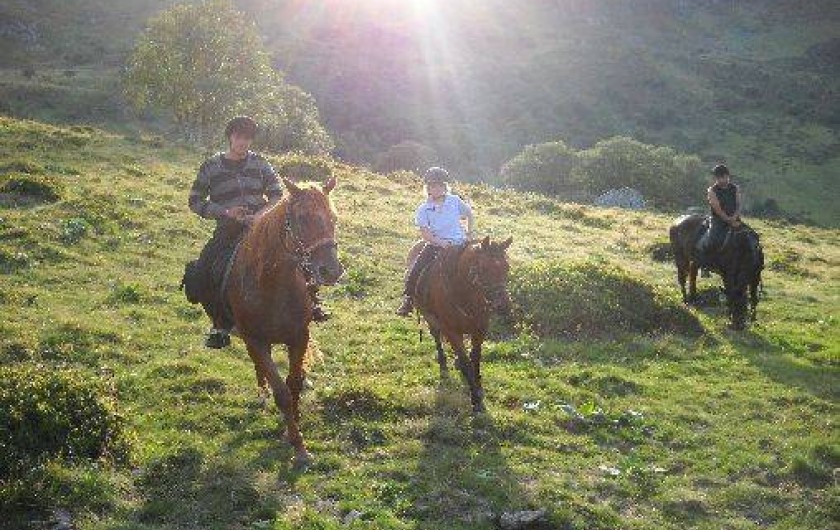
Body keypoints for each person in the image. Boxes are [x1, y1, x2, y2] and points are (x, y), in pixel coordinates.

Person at [186, 116, 328, 349]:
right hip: (228, 229)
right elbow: (195, 201)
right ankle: (219, 325)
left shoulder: (260, 163)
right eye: (239, 137)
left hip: (262, 227)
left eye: (247, 138)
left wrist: (260, 215)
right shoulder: (210, 166)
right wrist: (226, 212)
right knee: (203, 269)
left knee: (298, 257)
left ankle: (312, 302)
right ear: (230, 137)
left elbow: (276, 195)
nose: (243, 142)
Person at [395, 167, 475, 316]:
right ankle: (408, 299)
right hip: (436, 245)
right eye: (432, 185)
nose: (436, 188)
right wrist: (441, 243)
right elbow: (426, 234)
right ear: (428, 188)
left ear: (445, 187)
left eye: (439, 185)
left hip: (460, 243)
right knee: (417, 269)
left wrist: (469, 234)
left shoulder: (454, 201)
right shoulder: (423, 209)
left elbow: (470, 214)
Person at [695, 163, 742, 274]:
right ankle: (705, 265)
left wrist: (735, 217)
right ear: (716, 178)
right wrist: (729, 220)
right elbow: (717, 209)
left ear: (728, 176)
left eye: (724, 177)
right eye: (719, 177)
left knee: (751, 238)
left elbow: (739, 204)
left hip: (735, 219)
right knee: (711, 240)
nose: (722, 179)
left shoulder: (735, 188)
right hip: (718, 221)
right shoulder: (712, 191)